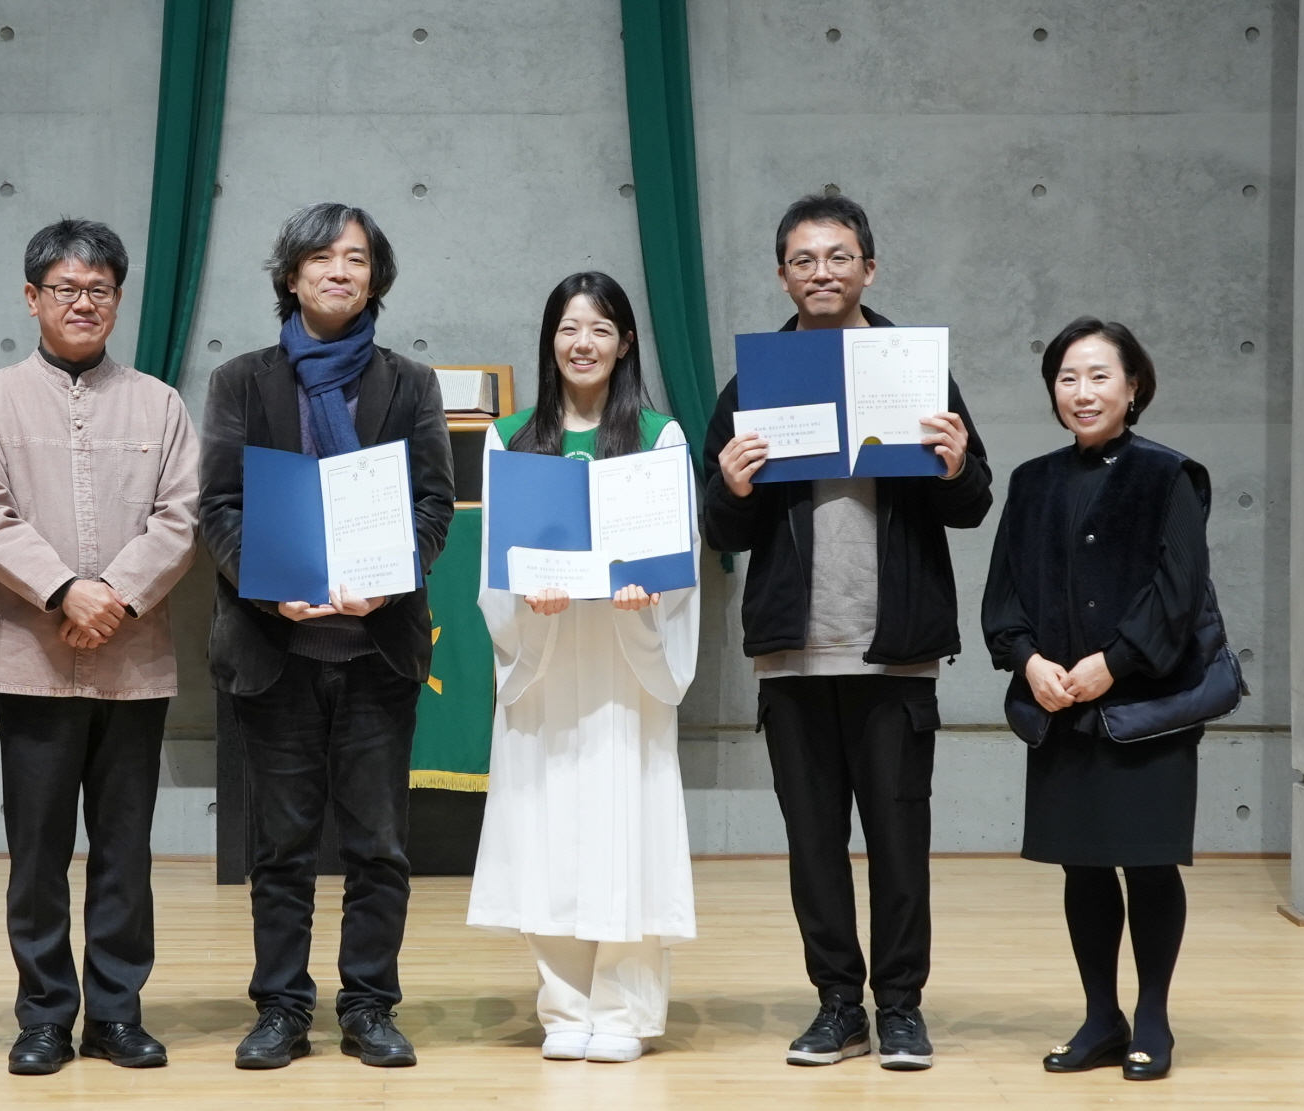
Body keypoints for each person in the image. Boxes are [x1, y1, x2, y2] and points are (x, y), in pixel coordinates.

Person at [700, 194, 992, 1070]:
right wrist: (731, 486)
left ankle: (899, 1005)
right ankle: (837, 1004)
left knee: (900, 842)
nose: (820, 271)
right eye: (802, 259)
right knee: (813, 845)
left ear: (868, 266)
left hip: (894, 652)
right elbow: (723, 531)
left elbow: (972, 503)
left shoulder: (915, 371)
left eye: (837, 256)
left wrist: (954, 462)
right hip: (791, 655)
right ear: (781, 273)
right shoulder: (751, 386)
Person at [198, 202, 454, 1070]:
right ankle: (280, 1007)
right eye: (322, 257)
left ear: (374, 277)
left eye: (356, 258)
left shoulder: (409, 383)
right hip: (277, 654)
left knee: (379, 845)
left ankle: (370, 1005)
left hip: (378, 650)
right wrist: (271, 595)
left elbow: (432, 507)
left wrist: (392, 577)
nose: (339, 271)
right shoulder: (242, 381)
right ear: (291, 275)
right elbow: (220, 509)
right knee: (279, 848)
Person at [0, 219, 201, 1076]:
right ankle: (46, 1015)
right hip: (31, 658)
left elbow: (182, 517)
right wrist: (65, 590)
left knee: (126, 852)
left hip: (134, 661)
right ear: (32, 298)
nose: (83, 302)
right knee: (37, 852)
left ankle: (118, 1015)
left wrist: (116, 596)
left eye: (99, 289)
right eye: (66, 288)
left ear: (119, 300)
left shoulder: (159, 403)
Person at [465, 272, 699, 1064]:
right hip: (549, 656)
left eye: (600, 328)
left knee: (624, 826)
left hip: (624, 666)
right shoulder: (512, 437)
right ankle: (563, 1008)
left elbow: (682, 565)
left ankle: (625, 1012)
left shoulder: (659, 438)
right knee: (547, 829)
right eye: (568, 327)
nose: (583, 342)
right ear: (549, 340)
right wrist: (528, 603)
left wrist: (648, 602)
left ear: (625, 342)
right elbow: (493, 569)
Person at [981, 318, 1211, 1082]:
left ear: (1133, 385)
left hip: (1144, 712)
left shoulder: (1168, 474)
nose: (1081, 392)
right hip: (1061, 709)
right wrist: (1029, 660)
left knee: (1146, 864)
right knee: (1080, 867)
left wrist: (1114, 662)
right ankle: (1098, 1015)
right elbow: (1002, 596)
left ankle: (1151, 1016)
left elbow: (1174, 596)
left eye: (1098, 376)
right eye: (1067, 378)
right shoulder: (1031, 480)